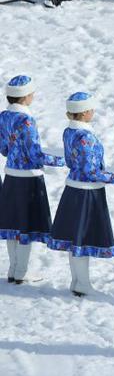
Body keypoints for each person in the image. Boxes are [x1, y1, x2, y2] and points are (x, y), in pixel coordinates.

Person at [47, 93, 114, 297]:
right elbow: (91, 172)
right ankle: (82, 283)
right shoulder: (86, 137)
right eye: (91, 109)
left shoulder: (69, 131)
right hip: (87, 194)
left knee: (75, 240)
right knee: (82, 239)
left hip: (72, 190)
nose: (93, 112)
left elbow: (71, 161)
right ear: (83, 112)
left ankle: (77, 281)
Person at [0, 75, 65, 284]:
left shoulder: (4, 116)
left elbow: (3, 149)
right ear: (26, 96)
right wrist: (61, 160)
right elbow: (35, 155)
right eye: (32, 93)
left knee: (12, 225)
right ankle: (22, 271)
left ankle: (13, 269)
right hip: (29, 179)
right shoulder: (27, 120)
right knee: (26, 226)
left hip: (11, 176)